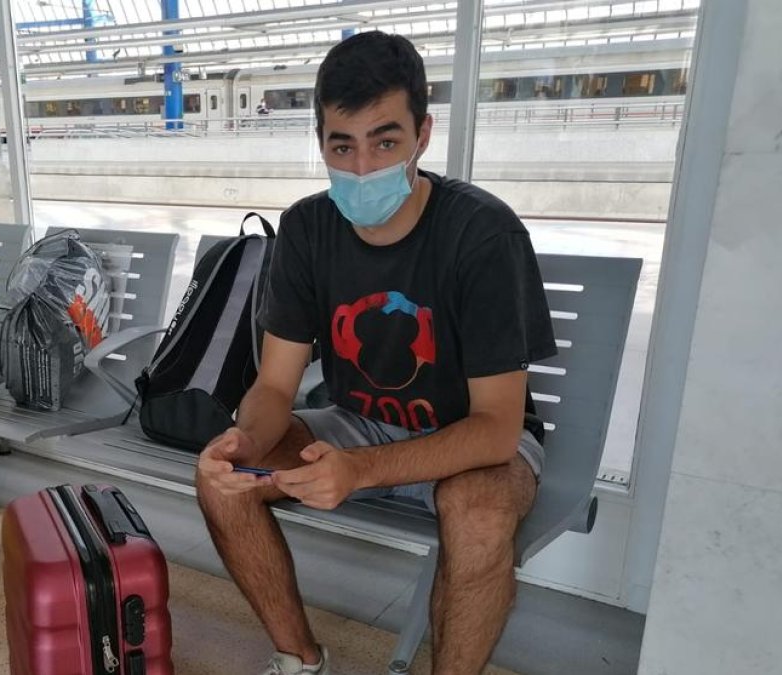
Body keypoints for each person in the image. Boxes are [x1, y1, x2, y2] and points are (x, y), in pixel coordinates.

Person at [195, 32, 557, 675]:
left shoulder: (482, 233)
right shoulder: (308, 227)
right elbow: (277, 388)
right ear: (322, 144)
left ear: (422, 135)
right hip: (357, 422)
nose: (362, 167)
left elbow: (498, 428)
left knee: (474, 515)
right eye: (343, 145)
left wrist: (359, 471)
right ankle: (302, 661)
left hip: (469, 439)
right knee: (221, 483)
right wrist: (245, 443)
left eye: (385, 141)